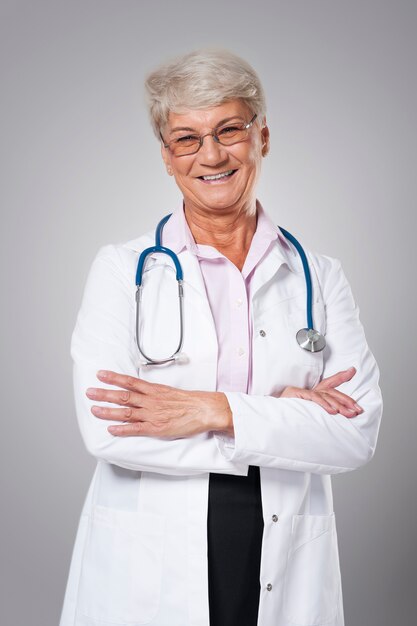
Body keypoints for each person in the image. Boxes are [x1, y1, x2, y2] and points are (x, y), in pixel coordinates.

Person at [59, 49, 382, 626]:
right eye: (187, 138)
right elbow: (109, 429)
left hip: (282, 544)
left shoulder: (320, 276)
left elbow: (354, 436)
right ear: (166, 156)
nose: (211, 154)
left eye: (229, 129)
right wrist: (276, 418)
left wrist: (211, 410)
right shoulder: (121, 270)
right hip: (149, 557)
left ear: (262, 136)